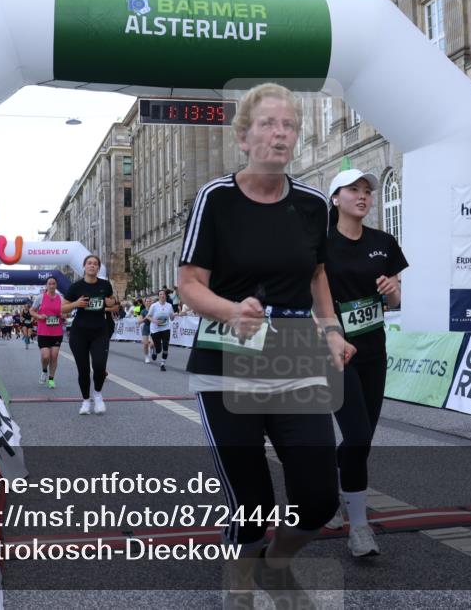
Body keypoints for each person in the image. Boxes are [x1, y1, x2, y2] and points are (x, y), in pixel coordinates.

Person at [177, 83, 353, 607]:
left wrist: (332, 330)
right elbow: (189, 283)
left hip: (295, 354)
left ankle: (275, 569)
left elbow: (317, 274)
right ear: (244, 137)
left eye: (289, 125)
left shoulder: (313, 204)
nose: (280, 134)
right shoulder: (216, 199)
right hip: (226, 356)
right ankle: (239, 590)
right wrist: (231, 310)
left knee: (318, 497)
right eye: (268, 124)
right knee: (250, 503)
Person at [323, 168, 408, 557]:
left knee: (362, 440)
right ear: (335, 198)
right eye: (353, 189)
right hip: (334, 353)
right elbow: (310, 296)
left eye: (367, 191)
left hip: (374, 351)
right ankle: (359, 528)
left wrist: (393, 290)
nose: (362, 196)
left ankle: (329, 487)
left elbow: (396, 300)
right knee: (357, 436)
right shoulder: (321, 243)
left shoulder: (383, 242)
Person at [63, 255, 119, 414]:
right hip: (79, 333)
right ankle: (86, 401)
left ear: (98, 268)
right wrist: (76, 304)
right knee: (83, 370)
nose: (92, 266)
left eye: (95, 264)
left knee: (100, 366)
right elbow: (62, 308)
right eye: (89, 263)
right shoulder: (76, 287)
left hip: (100, 332)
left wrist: (112, 302)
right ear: (84, 266)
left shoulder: (105, 285)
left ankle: (98, 395)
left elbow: (112, 301)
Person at [30, 277, 64, 389]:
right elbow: (31, 311)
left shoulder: (61, 298)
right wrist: (39, 316)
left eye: (54, 283)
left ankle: (51, 379)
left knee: (54, 356)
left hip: (57, 332)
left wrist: (64, 315)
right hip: (43, 332)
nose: (52, 286)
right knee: (45, 356)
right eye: (50, 284)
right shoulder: (40, 297)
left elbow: (66, 312)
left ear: (56, 285)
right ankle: (44, 370)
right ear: (47, 285)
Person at [146, 288, 175, 371]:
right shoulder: (154, 306)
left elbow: (172, 318)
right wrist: (155, 321)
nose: (162, 296)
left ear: (166, 296)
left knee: (165, 347)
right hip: (155, 329)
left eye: (163, 294)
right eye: (160, 294)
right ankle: (155, 350)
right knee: (159, 349)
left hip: (166, 328)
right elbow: (148, 316)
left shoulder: (169, 306)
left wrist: (173, 315)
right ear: (158, 296)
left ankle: (162, 364)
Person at [139, 296, 153, 363]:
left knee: (152, 344)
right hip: (146, 327)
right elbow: (139, 321)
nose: (148, 302)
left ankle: (151, 349)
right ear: (145, 303)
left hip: (153, 327)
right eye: (147, 301)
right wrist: (145, 318)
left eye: (149, 301)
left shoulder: (154, 310)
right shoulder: (143, 311)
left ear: (151, 302)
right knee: (145, 344)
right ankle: (146, 356)